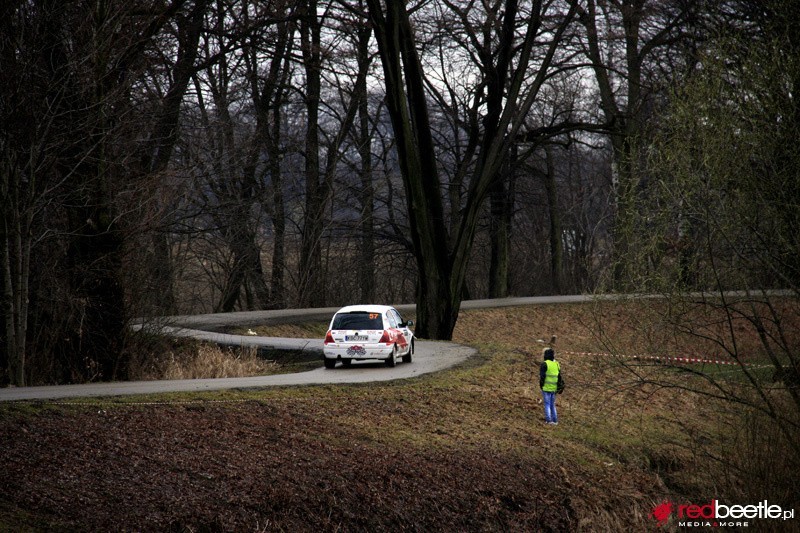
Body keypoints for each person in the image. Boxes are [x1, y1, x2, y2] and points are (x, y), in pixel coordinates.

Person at [539, 347, 561, 425]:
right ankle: (555, 420)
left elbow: (542, 377)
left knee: (547, 404)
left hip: (546, 387)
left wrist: (541, 385)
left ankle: (548, 420)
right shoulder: (557, 364)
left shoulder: (545, 364)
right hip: (554, 388)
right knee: (552, 404)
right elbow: (559, 376)